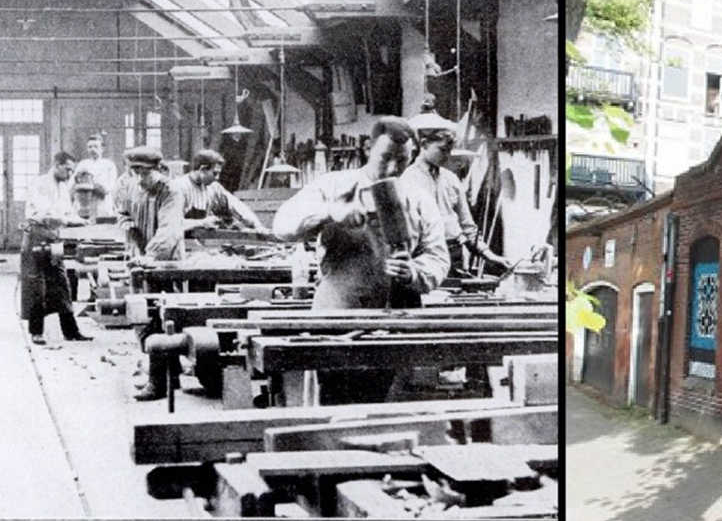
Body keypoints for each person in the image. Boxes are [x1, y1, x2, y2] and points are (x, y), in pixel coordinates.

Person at [272, 116, 449, 405]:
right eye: (386, 158)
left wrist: (414, 272)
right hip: (338, 321)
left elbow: (438, 257)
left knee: (388, 413)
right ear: (368, 148)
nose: (393, 168)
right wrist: (329, 213)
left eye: (402, 160)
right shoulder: (333, 186)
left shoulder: (419, 199)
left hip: (397, 323)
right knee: (335, 409)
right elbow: (282, 225)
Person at [401, 111, 512, 276]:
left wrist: (489, 255)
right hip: (423, 255)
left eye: (449, 151)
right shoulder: (406, 180)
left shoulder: (451, 179)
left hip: (454, 253)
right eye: (442, 150)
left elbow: (467, 226)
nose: (447, 156)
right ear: (424, 144)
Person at [121, 147, 188, 402]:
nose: (139, 178)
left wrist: (152, 255)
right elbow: (122, 213)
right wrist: (129, 229)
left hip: (165, 264)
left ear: (159, 170)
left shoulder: (171, 191)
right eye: (134, 171)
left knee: (161, 320)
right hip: (141, 262)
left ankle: (158, 383)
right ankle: (173, 375)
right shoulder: (132, 187)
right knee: (145, 320)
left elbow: (170, 230)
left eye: (144, 172)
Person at [21, 151, 94, 345]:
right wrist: (71, 221)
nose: (70, 174)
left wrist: (83, 222)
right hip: (36, 234)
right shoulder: (39, 184)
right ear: (56, 165)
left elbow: (67, 212)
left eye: (72, 170)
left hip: (54, 236)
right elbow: (48, 214)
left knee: (62, 284)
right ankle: (37, 332)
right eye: (67, 169)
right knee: (38, 286)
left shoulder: (63, 187)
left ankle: (71, 331)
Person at [170, 149, 268, 234]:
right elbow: (171, 224)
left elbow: (237, 206)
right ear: (203, 169)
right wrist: (202, 223)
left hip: (198, 244)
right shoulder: (178, 188)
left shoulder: (213, 187)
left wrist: (257, 225)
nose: (217, 178)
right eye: (215, 173)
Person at [73, 134, 118, 220]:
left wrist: (92, 185)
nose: (92, 149)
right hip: (85, 204)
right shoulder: (82, 164)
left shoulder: (109, 165)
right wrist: (78, 177)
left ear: (102, 149)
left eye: (96, 146)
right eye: (90, 147)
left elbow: (110, 187)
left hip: (102, 203)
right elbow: (73, 184)